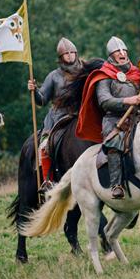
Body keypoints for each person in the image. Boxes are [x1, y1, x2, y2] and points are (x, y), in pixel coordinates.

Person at [76, 36, 140, 199]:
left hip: (137, 118)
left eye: (123, 50)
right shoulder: (105, 75)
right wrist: (128, 100)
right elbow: (104, 101)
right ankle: (117, 184)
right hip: (115, 121)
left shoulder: (137, 74)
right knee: (114, 144)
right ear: (111, 55)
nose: (122, 53)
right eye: (117, 51)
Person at [28, 37, 83, 189]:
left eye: (72, 52)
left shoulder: (85, 71)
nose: (70, 55)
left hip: (81, 114)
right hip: (58, 117)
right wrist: (35, 91)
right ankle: (48, 179)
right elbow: (42, 100)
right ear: (61, 57)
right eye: (67, 53)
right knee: (45, 145)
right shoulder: (54, 76)